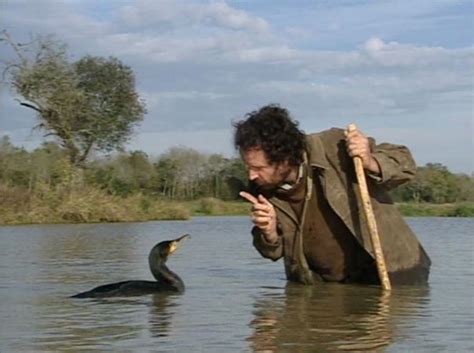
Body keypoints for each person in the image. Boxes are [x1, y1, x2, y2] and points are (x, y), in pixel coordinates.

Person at [233, 104, 431, 286]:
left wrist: (370, 161)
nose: (251, 175)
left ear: (284, 159)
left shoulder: (333, 145)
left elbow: (405, 163)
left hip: (394, 273)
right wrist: (268, 232)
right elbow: (272, 252)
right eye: (248, 166)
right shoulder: (262, 189)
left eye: (258, 167)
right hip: (325, 285)